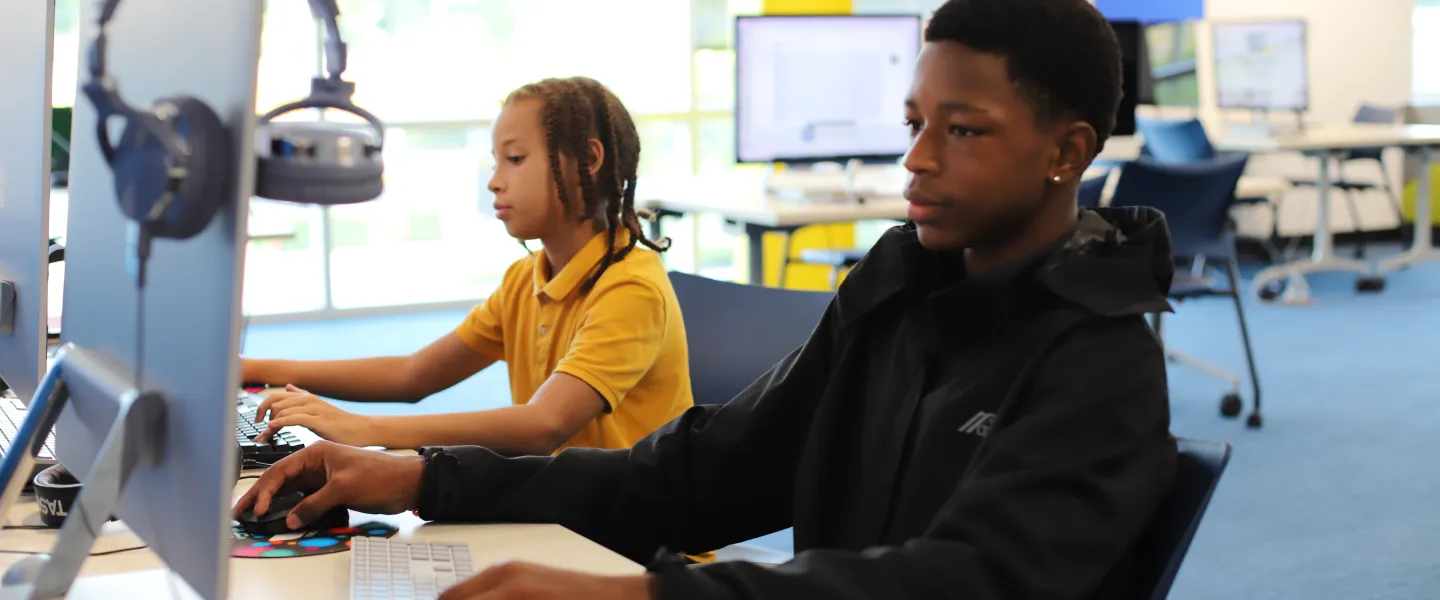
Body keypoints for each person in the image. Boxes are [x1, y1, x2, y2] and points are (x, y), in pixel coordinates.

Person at [236, 1, 1180, 598]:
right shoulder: (898, 290)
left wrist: (644, 597)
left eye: (962, 130)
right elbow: (694, 474)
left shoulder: (1102, 367)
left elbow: (957, 581)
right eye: (914, 123)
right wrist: (423, 478)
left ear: (1069, 152)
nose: (917, 158)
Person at [241, 76, 693, 458]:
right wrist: (255, 367)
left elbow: (544, 423)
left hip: (637, 541)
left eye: (515, 159)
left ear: (589, 162)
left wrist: (363, 429)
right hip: (566, 514)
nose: (495, 180)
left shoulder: (630, 287)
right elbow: (413, 375)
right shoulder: (526, 279)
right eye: (497, 161)